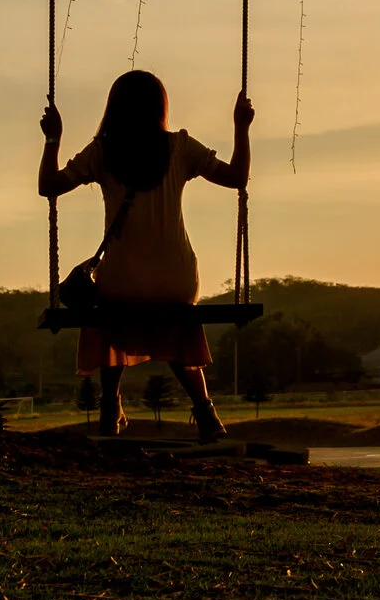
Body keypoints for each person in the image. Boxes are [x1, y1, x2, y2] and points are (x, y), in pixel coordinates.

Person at [39, 69, 251, 442]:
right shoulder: (181, 148)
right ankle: (206, 414)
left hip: (122, 281)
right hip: (177, 280)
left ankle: (110, 405)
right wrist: (241, 127)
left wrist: (52, 137)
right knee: (176, 323)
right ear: (160, 107)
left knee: (108, 313)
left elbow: (48, 186)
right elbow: (236, 177)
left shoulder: (102, 152)